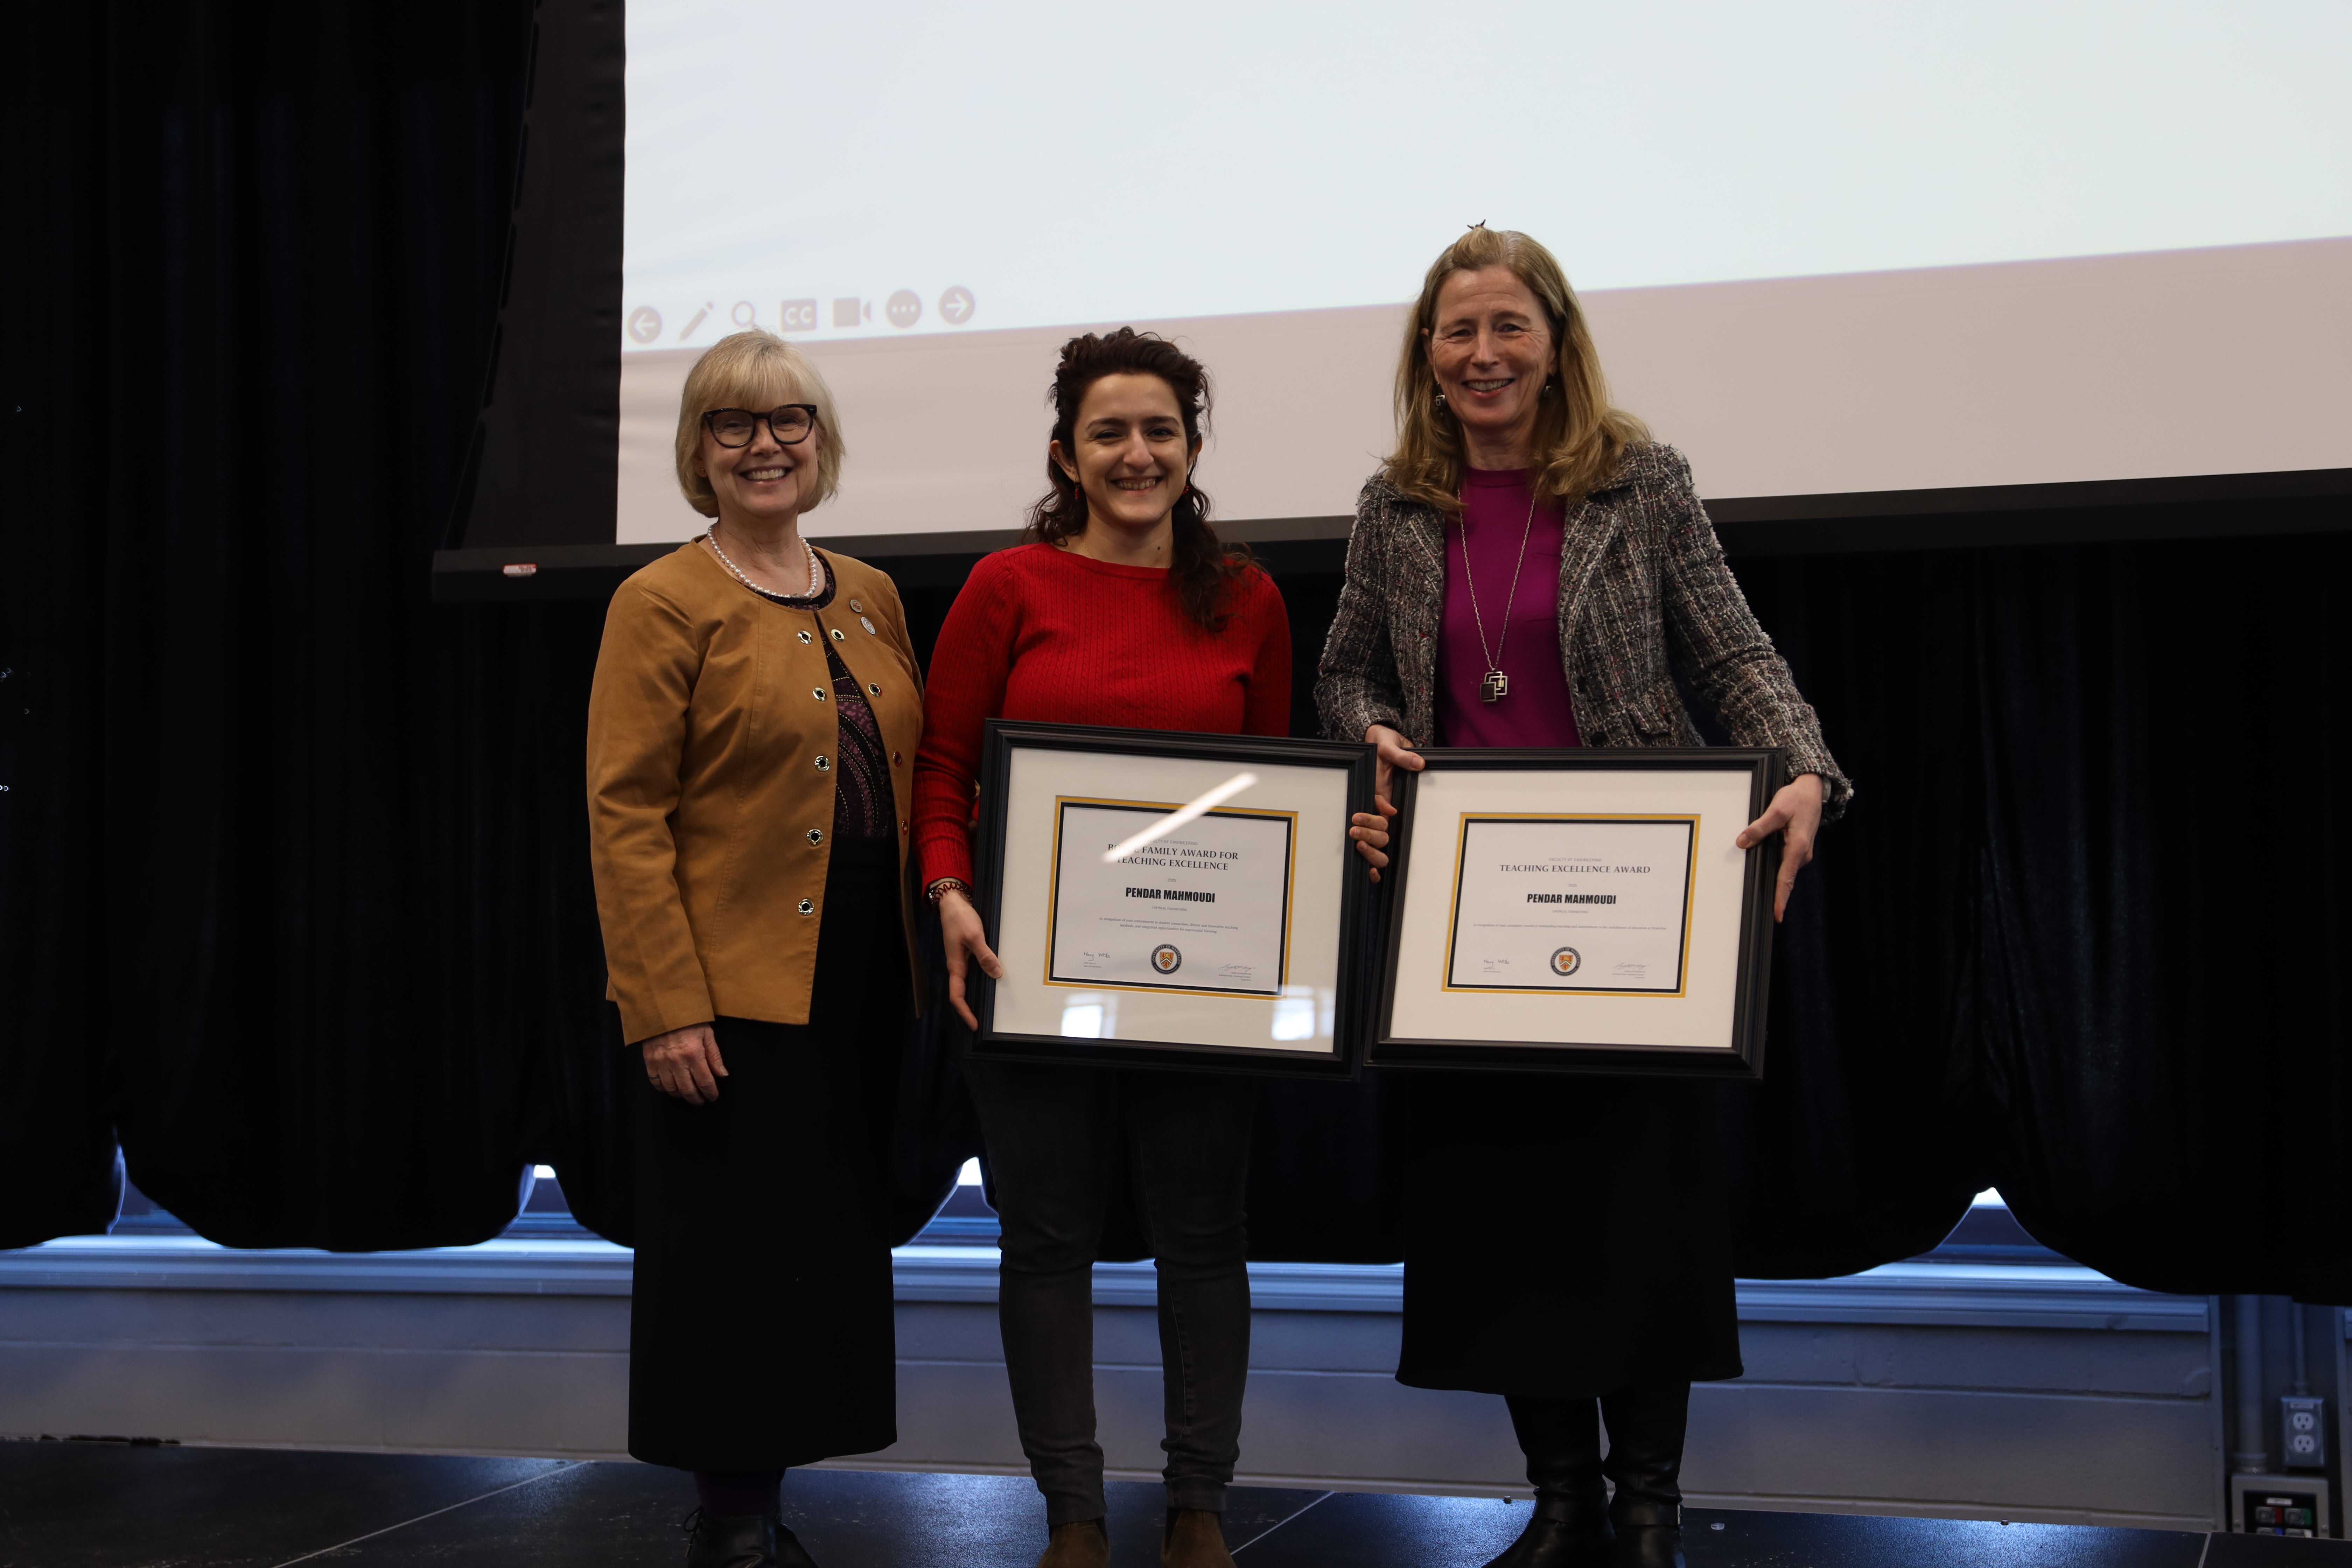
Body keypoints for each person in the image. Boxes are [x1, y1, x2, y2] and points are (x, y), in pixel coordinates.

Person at [1316, 228, 1852, 1568]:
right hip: (1461, 921)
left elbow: (1731, 651)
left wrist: (1806, 771)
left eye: (1508, 327)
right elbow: (1346, 677)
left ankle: (1649, 1508)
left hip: (1638, 903)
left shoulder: (1639, 482)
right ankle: (1558, 1499)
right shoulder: (1396, 508)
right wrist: (1375, 733)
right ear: (1426, 358)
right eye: (1457, 332)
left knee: (1636, 1204)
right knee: (1505, 1213)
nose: (1483, 354)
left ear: (1557, 339)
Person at [915, 329, 1290, 1568]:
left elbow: (1277, 792)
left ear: (1193, 445)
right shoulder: (1008, 586)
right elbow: (944, 768)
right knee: (1046, 1240)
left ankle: (1199, 1507)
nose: (1138, 454)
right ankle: (1072, 1514)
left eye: (1161, 431)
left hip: (1206, 988)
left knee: (1202, 1240)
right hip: (1031, 970)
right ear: (1066, 453)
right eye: (1109, 433)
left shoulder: (1249, 599)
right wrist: (950, 888)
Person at [586, 329, 927, 1568]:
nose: (764, 443)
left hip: (860, 986)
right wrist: (664, 1004)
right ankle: (730, 1520)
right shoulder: (662, 601)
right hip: (727, 1000)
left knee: (818, 1253)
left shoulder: (873, 594)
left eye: (788, 420)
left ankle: (775, 1506)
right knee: (726, 1264)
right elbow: (624, 817)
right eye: (732, 425)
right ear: (697, 451)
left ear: (820, 440)